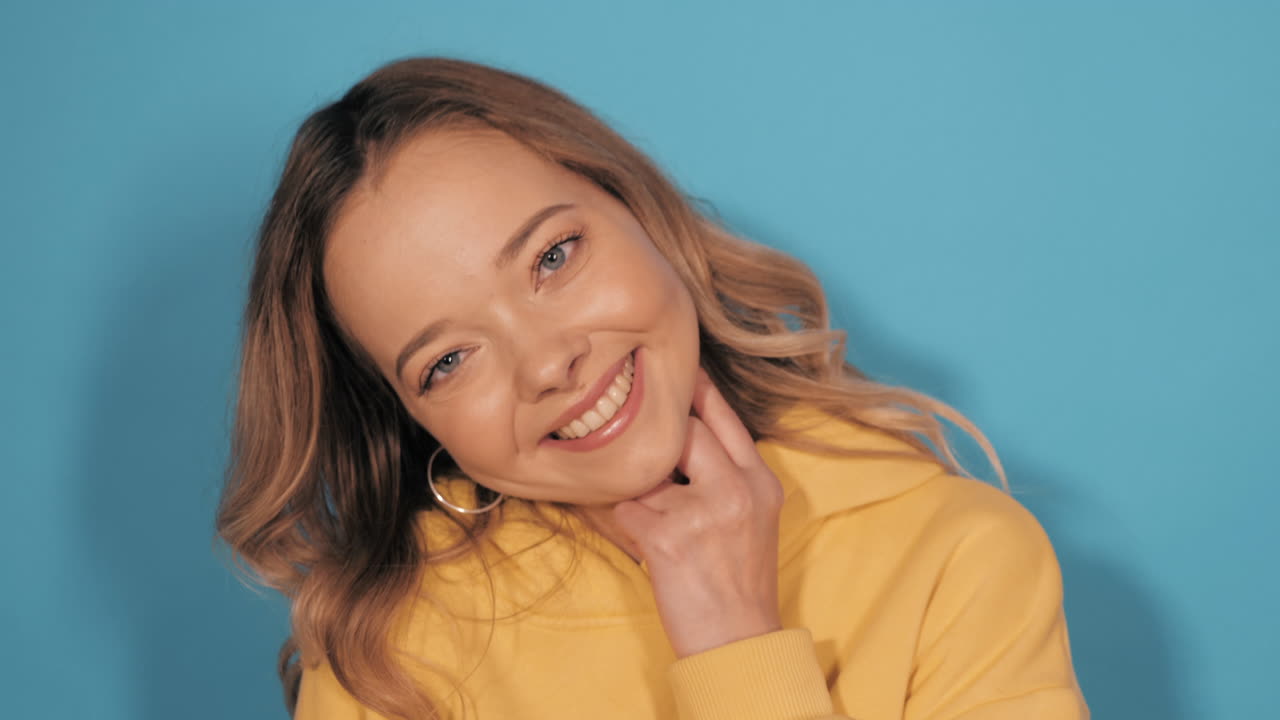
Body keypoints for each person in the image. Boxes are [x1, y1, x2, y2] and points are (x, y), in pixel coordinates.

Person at [216, 57, 1089, 720]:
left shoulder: (957, 560)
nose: (547, 362)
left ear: (639, 208)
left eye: (552, 258)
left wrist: (737, 645)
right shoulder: (387, 649)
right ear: (412, 419)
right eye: (446, 361)